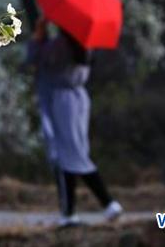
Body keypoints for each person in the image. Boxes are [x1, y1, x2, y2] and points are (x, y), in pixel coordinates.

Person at [25, 15, 123, 226]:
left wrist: (39, 34)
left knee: (69, 154)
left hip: (60, 102)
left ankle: (106, 202)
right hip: (78, 100)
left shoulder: (60, 45)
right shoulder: (84, 46)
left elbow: (33, 58)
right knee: (72, 153)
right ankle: (71, 212)